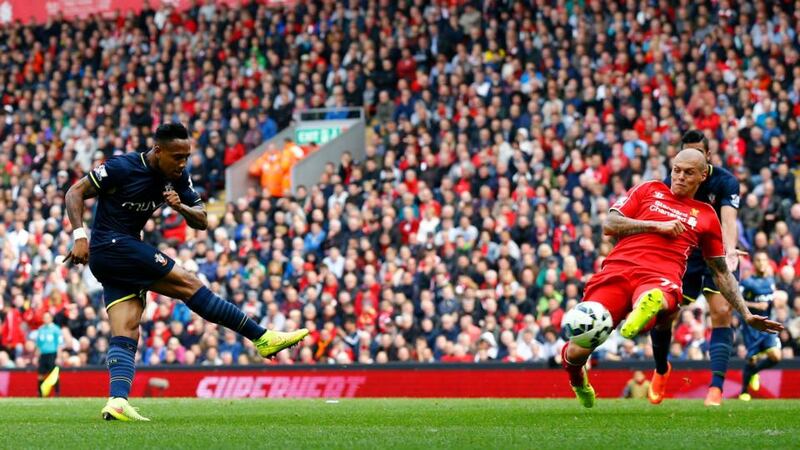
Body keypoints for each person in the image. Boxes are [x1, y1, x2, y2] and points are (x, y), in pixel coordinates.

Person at [64, 123, 308, 421]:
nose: (182, 163)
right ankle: (261, 337)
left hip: (116, 256)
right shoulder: (122, 167)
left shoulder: (177, 177)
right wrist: (80, 235)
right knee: (189, 283)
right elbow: (75, 192)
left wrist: (181, 208)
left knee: (127, 327)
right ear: (158, 151)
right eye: (177, 157)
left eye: (186, 157)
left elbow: (202, 220)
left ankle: (117, 400)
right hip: (112, 245)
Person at [561, 148, 783, 408]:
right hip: (617, 272)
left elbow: (721, 271)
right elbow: (610, 224)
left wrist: (745, 313)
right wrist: (656, 225)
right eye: (676, 170)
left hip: (660, 276)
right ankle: (578, 378)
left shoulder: (706, 215)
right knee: (576, 351)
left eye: (688, 173)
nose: (680, 177)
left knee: (658, 299)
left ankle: (647, 308)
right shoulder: (649, 189)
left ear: (702, 176)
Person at [658, 130, 743, 406]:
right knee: (665, 313)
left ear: (708, 156)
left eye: (697, 153)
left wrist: (730, 250)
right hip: (686, 253)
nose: (691, 159)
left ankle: (716, 387)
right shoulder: (674, 181)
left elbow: (728, 220)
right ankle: (661, 368)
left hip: (717, 252)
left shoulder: (725, 182)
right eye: (687, 153)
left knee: (721, 311)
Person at [738, 251, 782, 401]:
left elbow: (771, 299)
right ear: (754, 263)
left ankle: (754, 372)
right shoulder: (747, 283)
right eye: (758, 260)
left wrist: (776, 303)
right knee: (751, 359)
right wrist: (755, 305)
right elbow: (737, 302)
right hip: (752, 327)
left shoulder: (770, 281)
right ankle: (744, 392)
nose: (761, 263)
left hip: (767, 325)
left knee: (776, 356)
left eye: (764, 260)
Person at [35, 312, 62, 397]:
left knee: (54, 374)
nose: (46, 319)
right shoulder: (40, 329)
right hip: (43, 354)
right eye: (44, 317)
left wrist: (58, 357)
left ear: (51, 318)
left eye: (47, 317)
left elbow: (59, 344)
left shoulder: (56, 329)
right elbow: (38, 345)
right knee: (40, 375)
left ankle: (57, 393)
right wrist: (36, 357)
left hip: (52, 354)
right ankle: (40, 393)